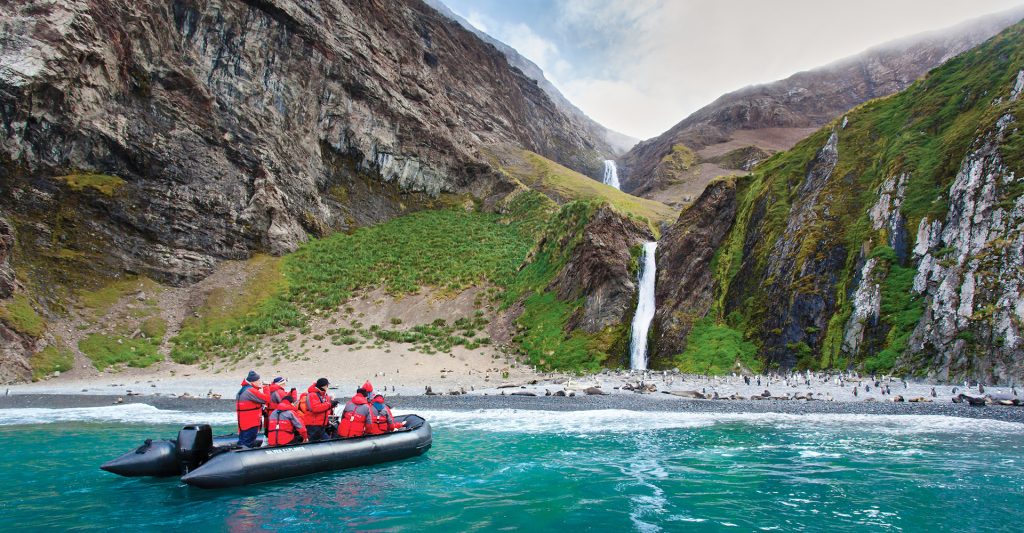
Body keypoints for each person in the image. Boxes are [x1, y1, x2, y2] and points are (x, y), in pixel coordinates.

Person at [235, 370, 270, 447]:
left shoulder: (243, 390)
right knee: (248, 442)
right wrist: (266, 388)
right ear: (253, 381)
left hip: (242, 422)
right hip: (251, 422)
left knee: (243, 440)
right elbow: (266, 399)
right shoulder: (251, 390)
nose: (260, 382)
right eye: (258, 380)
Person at [300, 377, 337, 442]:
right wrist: (330, 404)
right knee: (315, 443)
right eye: (327, 385)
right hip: (313, 425)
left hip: (320, 425)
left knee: (327, 441)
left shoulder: (323, 395)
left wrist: (332, 404)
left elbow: (325, 406)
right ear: (324, 386)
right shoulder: (312, 395)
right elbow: (315, 408)